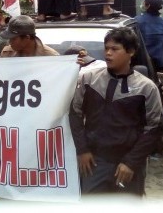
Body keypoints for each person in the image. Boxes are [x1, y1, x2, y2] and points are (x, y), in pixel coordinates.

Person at [69, 28, 163, 196]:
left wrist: (131, 162)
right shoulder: (88, 78)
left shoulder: (146, 87)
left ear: (131, 52)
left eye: (115, 49)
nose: (108, 53)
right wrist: (82, 150)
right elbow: (75, 114)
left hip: (128, 166)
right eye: (106, 48)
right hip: (94, 163)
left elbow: (154, 128)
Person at [135, 0, 163, 71]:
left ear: (148, 5)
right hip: (160, 65)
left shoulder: (137, 21)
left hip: (144, 66)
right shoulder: (161, 22)